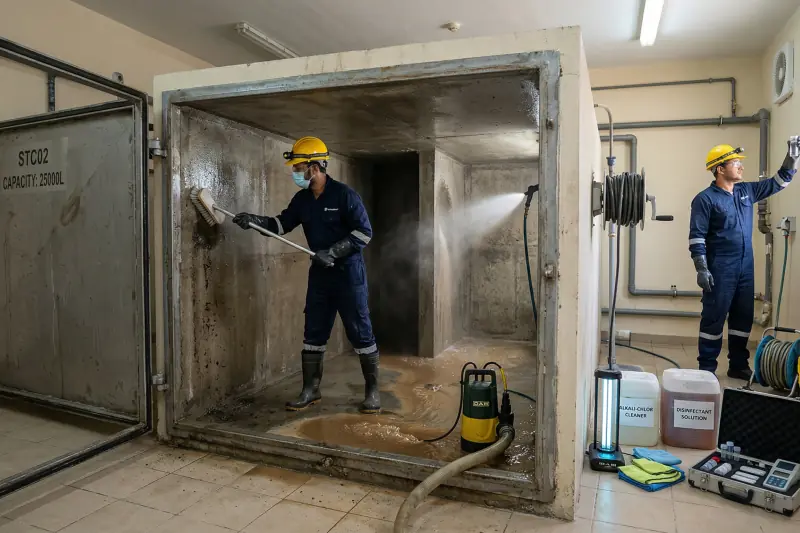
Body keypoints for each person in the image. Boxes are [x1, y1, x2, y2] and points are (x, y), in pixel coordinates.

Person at [232, 136, 380, 414]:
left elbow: (364, 232)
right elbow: (281, 224)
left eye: (299, 168)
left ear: (315, 167)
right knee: (314, 331)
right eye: (295, 168)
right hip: (320, 275)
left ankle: (372, 392)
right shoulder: (302, 200)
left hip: (348, 274)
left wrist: (334, 252)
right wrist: (254, 221)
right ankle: (311, 390)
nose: (295, 173)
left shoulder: (345, 195)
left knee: (360, 332)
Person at [688, 139, 798, 379]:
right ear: (720, 168)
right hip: (720, 268)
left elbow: (779, 182)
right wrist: (702, 268)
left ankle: (738, 365)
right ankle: (706, 369)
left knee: (743, 317)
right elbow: (696, 238)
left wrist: (792, 157)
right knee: (714, 318)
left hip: (745, 267)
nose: (741, 167)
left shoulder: (746, 191)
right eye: (736, 162)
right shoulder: (705, 200)